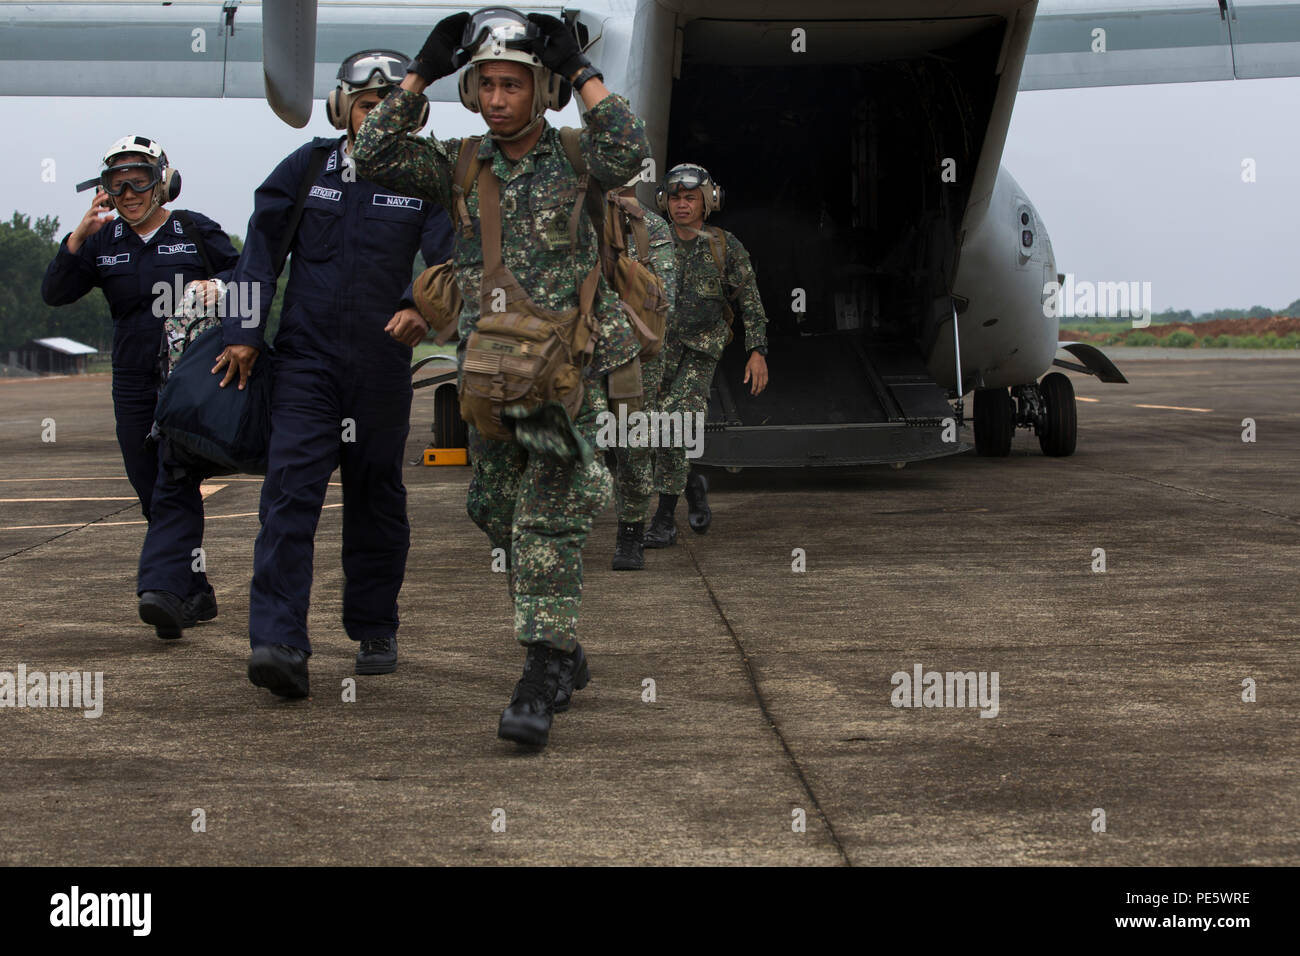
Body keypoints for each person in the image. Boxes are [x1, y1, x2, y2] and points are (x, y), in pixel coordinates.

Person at [353, 6, 651, 747]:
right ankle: (563, 641)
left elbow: (630, 150)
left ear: (538, 90)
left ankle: (543, 668)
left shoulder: (579, 159)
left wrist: (580, 71)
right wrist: (420, 71)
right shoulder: (459, 164)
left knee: (546, 518)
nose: (495, 97)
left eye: (512, 84)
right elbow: (373, 153)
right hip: (490, 378)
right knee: (493, 508)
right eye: (485, 83)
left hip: (562, 378)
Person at [215, 50, 454, 698]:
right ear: (342, 106)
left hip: (380, 367)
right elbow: (257, 252)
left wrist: (419, 305)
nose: (376, 114)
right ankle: (278, 642)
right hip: (307, 363)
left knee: (377, 498)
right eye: (367, 103)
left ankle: (374, 625)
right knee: (289, 493)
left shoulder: (425, 179)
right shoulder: (307, 167)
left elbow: (451, 255)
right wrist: (242, 333)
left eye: (390, 106)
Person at [41, 136, 238, 637]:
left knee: (174, 480)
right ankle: (194, 591)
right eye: (116, 183)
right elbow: (56, 292)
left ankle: (163, 592)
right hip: (131, 380)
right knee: (149, 485)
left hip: (189, 377)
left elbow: (248, 274)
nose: (128, 192)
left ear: (163, 181)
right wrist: (78, 236)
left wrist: (223, 287)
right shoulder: (105, 242)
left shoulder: (193, 229)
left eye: (139, 179)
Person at [643, 164, 770, 548]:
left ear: (708, 201)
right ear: (664, 201)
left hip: (701, 352)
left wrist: (757, 350)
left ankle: (664, 520)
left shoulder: (724, 247)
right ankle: (692, 482)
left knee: (677, 424)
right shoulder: (649, 243)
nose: (682, 205)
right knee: (651, 431)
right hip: (657, 350)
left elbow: (751, 303)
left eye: (691, 198)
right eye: (676, 197)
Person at [610, 188, 676, 571]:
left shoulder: (648, 227)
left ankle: (630, 534)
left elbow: (662, 293)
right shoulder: (574, 220)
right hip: (581, 347)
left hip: (636, 351)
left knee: (632, 441)